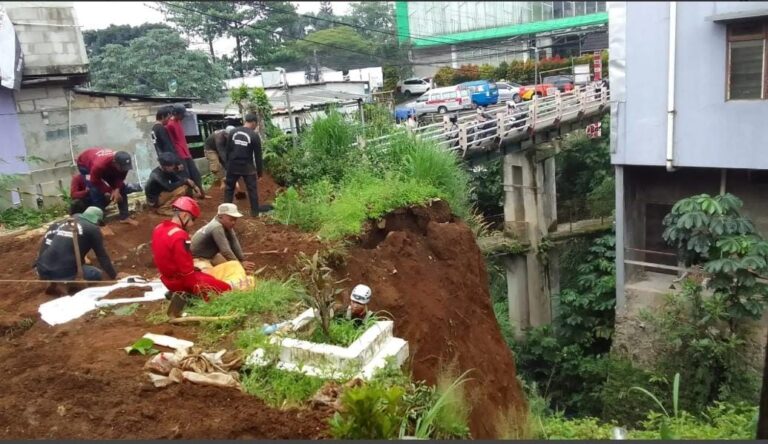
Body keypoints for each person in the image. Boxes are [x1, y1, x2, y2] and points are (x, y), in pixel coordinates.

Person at [151, 196, 231, 318]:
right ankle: (189, 298)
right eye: (192, 219)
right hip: (181, 281)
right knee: (226, 288)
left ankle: (182, 294)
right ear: (184, 216)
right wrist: (202, 290)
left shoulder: (158, 229)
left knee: (206, 277)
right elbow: (187, 272)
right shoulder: (179, 235)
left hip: (167, 280)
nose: (192, 223)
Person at [34, 206, 119, 295]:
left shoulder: (67, 222)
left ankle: (53, 280)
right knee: (95, 274)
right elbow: (101, 256)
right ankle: (66, 284)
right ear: (97, 220)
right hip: (62, 271)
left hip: (43, 268)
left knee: (67, 260)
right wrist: (114, 275)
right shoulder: (93, 229)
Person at [75, 147, 138, 226]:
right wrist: (110, 191)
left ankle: (124, 217)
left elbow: (121, 177)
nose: (124, 169)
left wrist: (117, 189)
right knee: (96, 192)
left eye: (125, 168)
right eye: (121, 168)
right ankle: (100, 224)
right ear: (115, 163)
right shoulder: (99, 165)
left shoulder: (123, 164)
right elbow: (94, 181)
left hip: (105, 166)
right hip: (84, 164)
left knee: (122, 188)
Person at [191, 203, 256, 272]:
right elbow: (225, 250)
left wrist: (242, 260)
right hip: (198, 258)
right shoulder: (217, 227)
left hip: (212, 255)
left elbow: (234, 242)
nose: (233, 222)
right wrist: (239, 264)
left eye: (235, 220)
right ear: (220, 216)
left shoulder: (226, 224)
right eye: (231, 219)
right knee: (212, 276)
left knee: (231, 269)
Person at [225, 113, 264, 217]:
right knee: (252, 190)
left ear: (245, 121)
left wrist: (227, 166)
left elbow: (228, 150)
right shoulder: (254, 135)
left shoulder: (232, 132)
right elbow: (258, 156)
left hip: (233, 166)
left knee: (229, 189)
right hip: (248, 167)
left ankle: (225, 213)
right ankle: (255, 213)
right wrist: (259, 172)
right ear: (254, 123)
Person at [166, 104, 208, 199]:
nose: (183, 116)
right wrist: (176, 160)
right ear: (176, 113)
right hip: (179, 154)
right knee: (186, 176)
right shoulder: (170, 125)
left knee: (195, 174)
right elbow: (171, 143)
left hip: (186, 153)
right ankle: (189, 198)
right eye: (182, 114)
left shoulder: (178, 121)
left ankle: (201, 194)